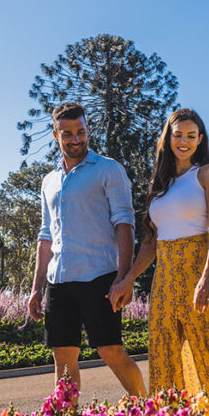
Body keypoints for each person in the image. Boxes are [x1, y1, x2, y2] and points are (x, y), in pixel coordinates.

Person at [109, 108, 209, 395]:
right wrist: (129, 278)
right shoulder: (160, 185)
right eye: (178, 135)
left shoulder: (208, 174)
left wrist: (207, 278)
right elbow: (151, 241)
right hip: (165, 280)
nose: (184, 142)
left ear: (200, 140)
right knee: (165, 351)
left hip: (200, 272)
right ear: (168, 138)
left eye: (191, 136)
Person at [27, 102, 146, 398]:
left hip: (99, 277)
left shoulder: (108, 169)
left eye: (80, 131)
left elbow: (125, 223)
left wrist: (124, 277)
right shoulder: (49, 181)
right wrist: (36, 288)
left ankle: (148, 410)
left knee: (110, 350)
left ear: (88, 129)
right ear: (56, 135)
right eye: (67, 133)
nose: (76, 139)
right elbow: (46, 236)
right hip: (59, 281)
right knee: (63, 358)